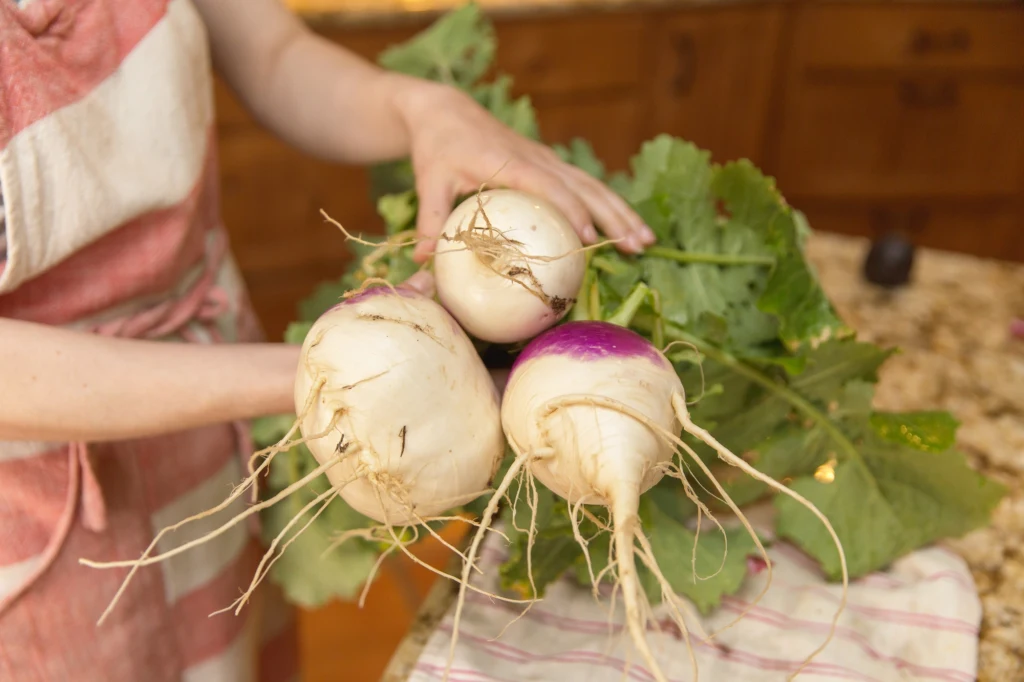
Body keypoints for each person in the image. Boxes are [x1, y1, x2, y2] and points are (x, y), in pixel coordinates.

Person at [0, 0, 652, 680]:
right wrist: (332, 377)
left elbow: (274, 54)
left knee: (230, 649)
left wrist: (418, 109)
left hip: (212, 424)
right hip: (41, 512)